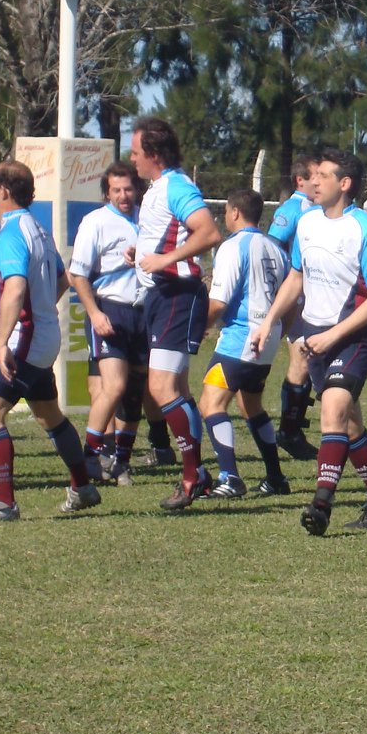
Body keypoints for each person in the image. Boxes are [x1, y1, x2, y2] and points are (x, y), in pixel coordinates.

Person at [253, 150, 367, 533]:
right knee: (347, 427)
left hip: (353, 337)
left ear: (344, 184)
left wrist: (334, 333)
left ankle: (321, 504)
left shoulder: (365, 229)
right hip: (314, 337)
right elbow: (296, 277)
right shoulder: (307, 222)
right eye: (312, 176)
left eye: (322, 176)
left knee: (332, 411)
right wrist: (268, 322)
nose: (312, 183)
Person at [0, 160, 100, 521]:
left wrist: (2, 342)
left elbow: (14, 287)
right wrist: (41, 311)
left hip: (22, 340)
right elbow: (62, 278)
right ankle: (83, 487)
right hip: (43, 336)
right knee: (49, 415)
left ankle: (5, 504)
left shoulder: (11, 233)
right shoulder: (37, 228)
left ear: (5, 191)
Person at [129, 116, 223, 510]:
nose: (131, 159)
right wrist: (141, 255)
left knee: (161, 389)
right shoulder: (156, 189)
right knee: (176, 390)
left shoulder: (177, 186)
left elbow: (208, 232)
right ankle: (196, 473)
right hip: (160, 295)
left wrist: (165, 258)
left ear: (152, 154)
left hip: (177, 296)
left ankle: (193, 475)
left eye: (135, 152)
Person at [197, 187, 292, 497]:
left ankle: (230, 477)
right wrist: (278, 330)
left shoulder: (233, 247)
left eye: (226, 211)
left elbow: (219, 302)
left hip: (241, 336)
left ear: (234, 212)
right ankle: (276, 477)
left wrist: (198, 331)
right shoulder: (276, 248)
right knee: (250, 405)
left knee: (210, 403)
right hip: (268, 339)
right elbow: (294, 300)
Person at [67, 161, 148, 485]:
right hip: (111, 310)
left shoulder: (148, 218)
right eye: (116, 190)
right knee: (113, 385)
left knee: (134, 392)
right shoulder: (95, 222)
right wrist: (95, 313)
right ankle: (89, 456)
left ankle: (120, 462)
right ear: (107, 192)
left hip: (145, 312)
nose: (123, 195)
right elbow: (78, 275)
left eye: (128, 188)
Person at [266, 165, 320, 461]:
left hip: (313, 295)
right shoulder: (293, 208)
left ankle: (293, 426)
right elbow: (273, 245)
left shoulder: (315, 208)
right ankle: (290, 430)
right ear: (300, 179)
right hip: (297, 296)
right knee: (302, 355)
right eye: (316, 176)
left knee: (308, 357)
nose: (320, 182)